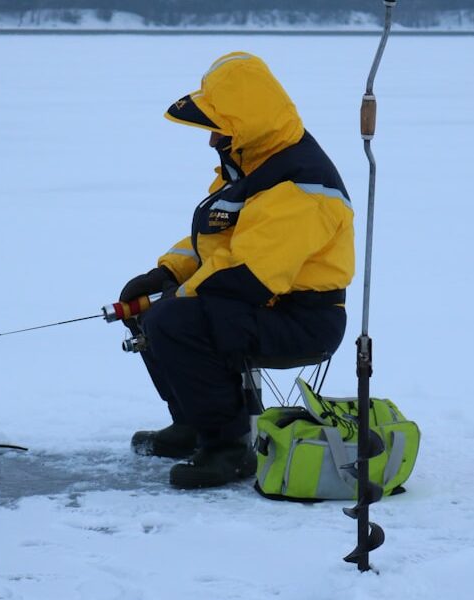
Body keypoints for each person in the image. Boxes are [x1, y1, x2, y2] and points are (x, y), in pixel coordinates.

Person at [119, 52, 355, 489]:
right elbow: (217, 238)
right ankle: (192, 423)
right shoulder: (255, 164)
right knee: (150, 310)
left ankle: (229, 447)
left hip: (302, 319)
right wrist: (167, 274)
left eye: (219, 131)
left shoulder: (301, 185)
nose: (212, 142)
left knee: (173, 320)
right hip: (260, 305)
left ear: (247, 124)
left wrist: (175, 299)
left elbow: (245, 273)